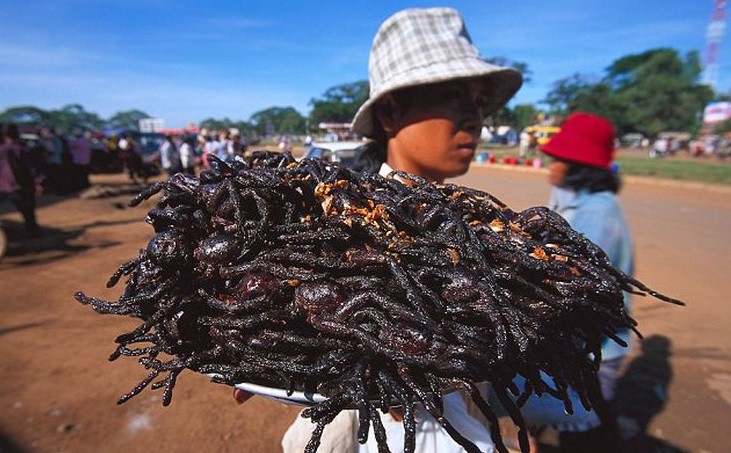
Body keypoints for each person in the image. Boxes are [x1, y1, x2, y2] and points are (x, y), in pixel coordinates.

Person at [236, 8, 522, 453]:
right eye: (454, 98)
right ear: (390, 112)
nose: (474, 118)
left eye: (481, 102)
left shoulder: (472, 224)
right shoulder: (332, 222)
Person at [509, 112, 631, 451]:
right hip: (577, 344)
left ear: (579, 166)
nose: (551, 165)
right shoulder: (572, 201)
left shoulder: (596, 214)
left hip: (595, 350)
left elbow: (573, 287)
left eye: (559, 160)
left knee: (589, 428)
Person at [0, 124, 42, 235]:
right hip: (20, 186)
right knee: (28, 211)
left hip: (3, 186)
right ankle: (33, 231)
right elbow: (30, 168)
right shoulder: (21, 148)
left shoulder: (2, 149)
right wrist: (37, 182)